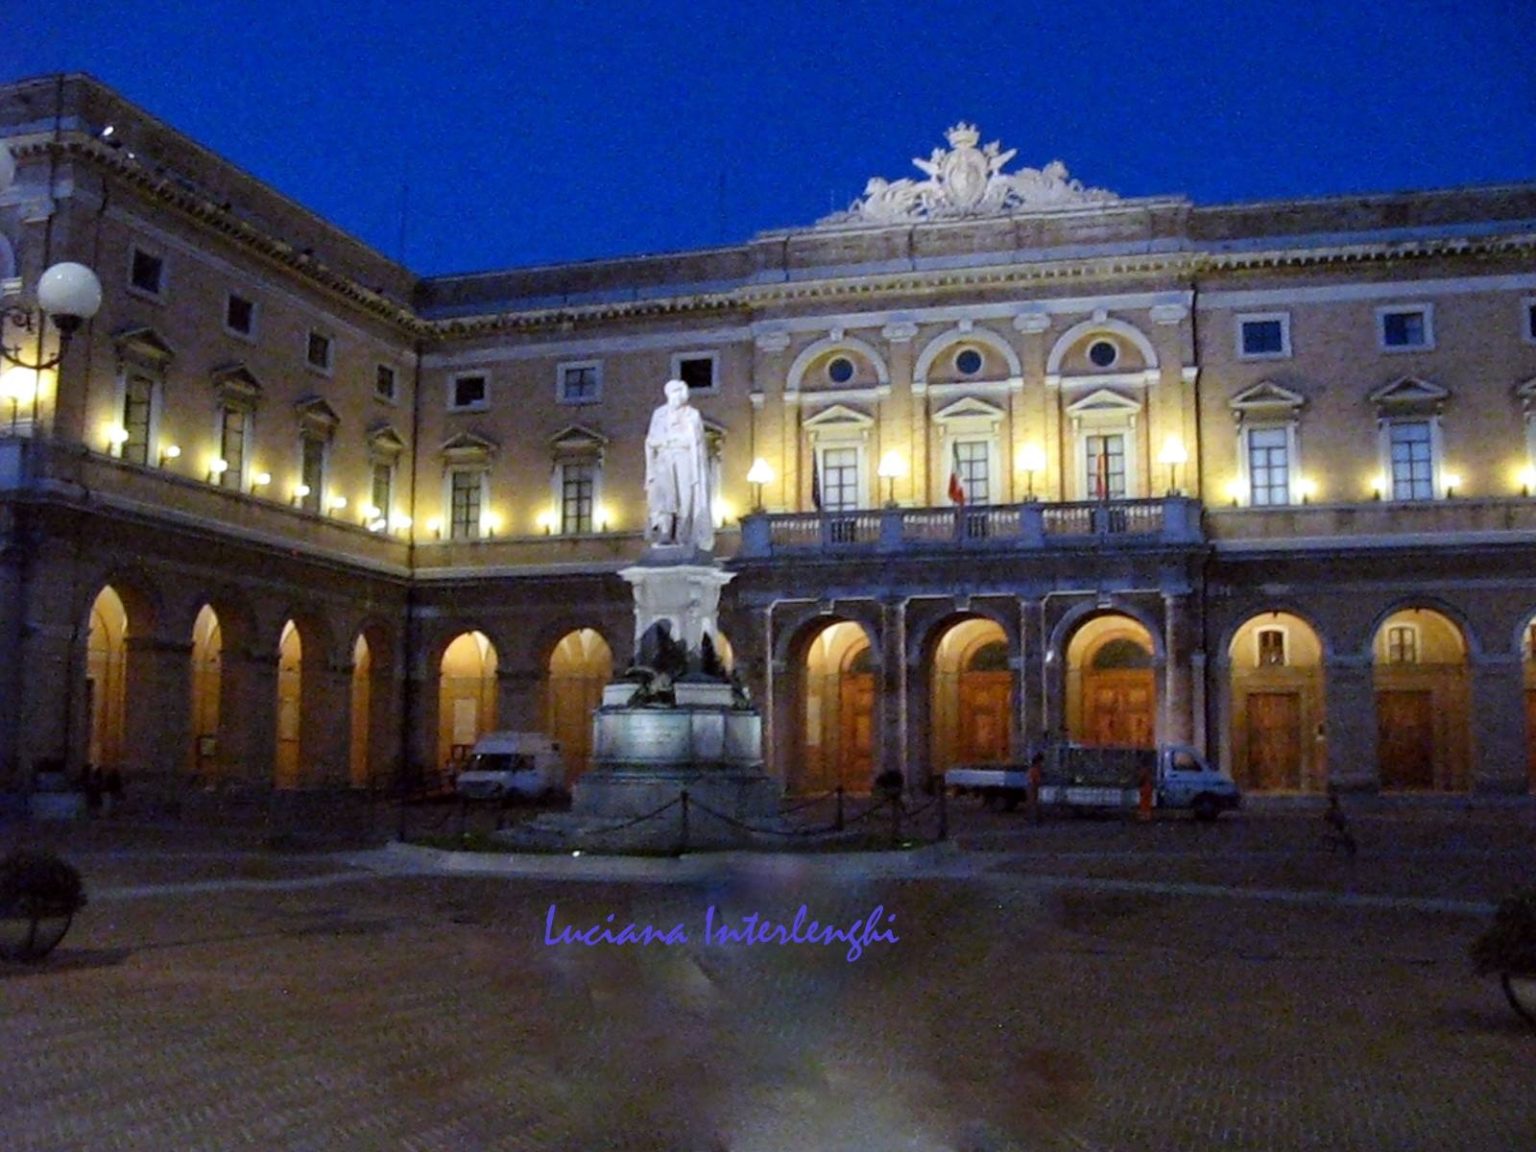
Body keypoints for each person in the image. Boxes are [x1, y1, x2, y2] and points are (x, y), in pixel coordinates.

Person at [644, 379, 714, 551]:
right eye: (674, 392)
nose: (678, 396)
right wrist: (662, 441)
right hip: (664, 458)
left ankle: (683, 535)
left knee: (685, 496)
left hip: (684, 457)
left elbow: (696, 442)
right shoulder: (659, 414)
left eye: (680, 392)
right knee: (664, 498)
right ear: (668, 393)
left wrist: (678, 439)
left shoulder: (692, 414)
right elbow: (651, 439)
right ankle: (665, 533)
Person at [1323, 787, 1357, 857]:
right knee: (1342, 836)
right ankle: (1337, 846)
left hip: (1339, 823)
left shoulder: (1334, 808)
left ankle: (1337, 846)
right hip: (1339, 823)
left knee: (1341, 836)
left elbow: (1331, 815)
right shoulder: (1335, 808)